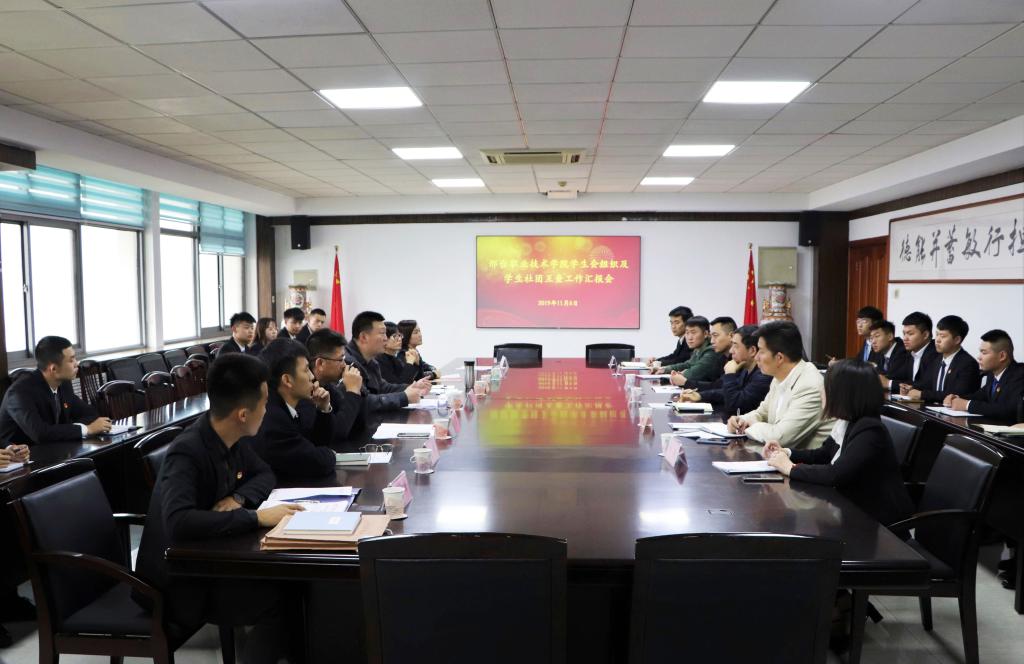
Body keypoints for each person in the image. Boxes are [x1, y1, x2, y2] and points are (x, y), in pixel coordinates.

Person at [134, 353, 303, 664]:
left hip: (212, 561)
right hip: (177, 583)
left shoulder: (229, 436)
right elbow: (178, 522)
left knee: (296, 586)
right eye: (265, 404)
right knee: (277, 601)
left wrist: (239, 498)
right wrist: (255, 517)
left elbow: (264, 473)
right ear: (243, 414)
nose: (267, 411)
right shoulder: (188, 450)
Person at [762, 359, 914, 531]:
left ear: (844, 393)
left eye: (826, 388)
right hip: (851, 510)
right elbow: (823, 454)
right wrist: (787, 452)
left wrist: (790, 468)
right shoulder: (848, 420)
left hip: (878, 526)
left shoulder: (870, 429)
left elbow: (836, 474)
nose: (821, 392)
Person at [727, 322, 832, 449]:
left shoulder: (810, 386)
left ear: (779, 358)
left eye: (761, 351)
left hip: (804, 460)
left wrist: (748, 427)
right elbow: (762, 413)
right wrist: (741, 420)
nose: (756, 357)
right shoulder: (779, 376)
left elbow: (780, 438)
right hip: (778, 456)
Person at [0, 336, 111, 445]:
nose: (76, 364)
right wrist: (87, 429)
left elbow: (90, 413)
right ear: (53, 369)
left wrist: (67, 429)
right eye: (71, 360)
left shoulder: (63, 383)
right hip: (19, 454)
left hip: (53, 448)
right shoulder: (19, 392)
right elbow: (40, 434)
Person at [251, 338, 335, 477]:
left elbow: (313, 445)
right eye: (306, 370)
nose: (312, 376)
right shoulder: (272, 418)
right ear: (287, 380)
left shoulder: (285, 405)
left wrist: (323, 409)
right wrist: (331, 454)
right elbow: (316, 462)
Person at [344, 311, 429, 412]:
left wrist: (412, 387)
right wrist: (404, 397)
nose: (385, 338)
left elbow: (383, 387)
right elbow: (364, 402)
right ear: (364, 337)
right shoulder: (347, 363)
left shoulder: (371, 361)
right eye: (382, 333)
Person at [678, 325, 771, 415]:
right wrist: (700, 396)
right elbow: (726, 392)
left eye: (735, 346)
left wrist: (730, 375)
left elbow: (735, 406)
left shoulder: (763, 376)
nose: (731, 351)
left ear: (752, 351)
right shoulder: (745, 369)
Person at [943, 329, 1024, 423]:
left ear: (1002, 356)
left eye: (984, 353)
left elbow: (1010, 410)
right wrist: (956, 398)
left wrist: (967, 405)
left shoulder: (1019, 375)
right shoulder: (992, 374)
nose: (979, 357)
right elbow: (979, 396)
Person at [304, 329, 365, 445]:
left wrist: (357, 389)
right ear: (320, 363)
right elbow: (337, 433)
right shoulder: (307, 390)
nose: (344, 365)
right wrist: (353, 391)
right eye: (340, 359)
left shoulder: (329, 386)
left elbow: (358, 425)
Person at [904, 315, 980, 403]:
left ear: (957, 340)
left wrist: (922, 394)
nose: (937, 340)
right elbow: (927, 384)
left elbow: (957, 395)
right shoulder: (936, 359)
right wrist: (911, 389)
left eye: (942, 336)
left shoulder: (968, 364)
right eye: (937, 334)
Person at [656, 316, 722, 385]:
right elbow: (688, 364)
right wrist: (665, 369)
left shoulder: (711, 351)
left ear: (705, 334)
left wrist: (682, 374)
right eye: (687, 333)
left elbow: (695, 373)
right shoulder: (698, 349)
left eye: (693, 333)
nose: (689, 338)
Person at [889, 311, 939, 393]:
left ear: (925, 335)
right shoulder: (907, 353)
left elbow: (926, 384)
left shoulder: (936, 353)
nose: (905, 338)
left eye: (910, 334)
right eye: (904, 334)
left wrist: (889, 383)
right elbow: (896, 376)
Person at [868, 320, 910, 389]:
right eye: (871, 338)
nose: (873, 341)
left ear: (890, 336)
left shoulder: (903, 351)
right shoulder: (877, 352)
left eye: (877, 336)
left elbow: (890, 377)